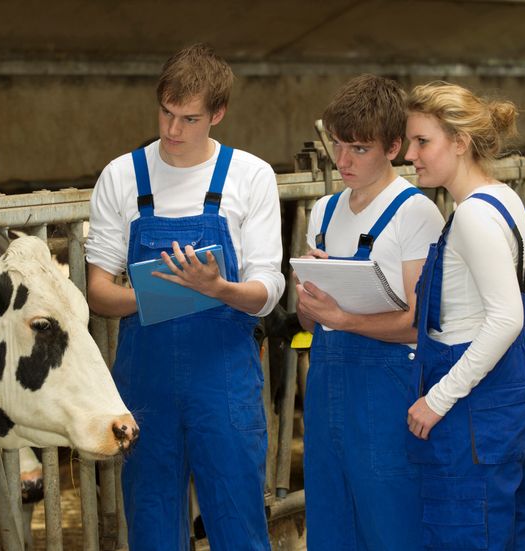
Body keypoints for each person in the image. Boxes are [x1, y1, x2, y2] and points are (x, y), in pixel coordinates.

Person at [85, 43, 284, 551]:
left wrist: (216, 289)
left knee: (238, 522)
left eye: (189, 119)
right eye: (166, 114)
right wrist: (160, 293)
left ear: (218, 114)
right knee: (151, 524)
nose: (173, 131)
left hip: (223, 377)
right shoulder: (122, 176)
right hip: (145, 382)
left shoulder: (250, 176)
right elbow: (99, 293)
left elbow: (267, 290)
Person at [296, 74, 445, 550]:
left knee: (391, 524)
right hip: (324, 386)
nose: (343, 161)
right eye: (338, 145)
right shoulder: (322, 211)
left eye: (358, 149)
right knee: (330, 520)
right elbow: (309, 323)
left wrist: (343, 318)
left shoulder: (415, 213)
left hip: (387, 394)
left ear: (394, 147)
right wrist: (310, 305)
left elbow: (420, 325)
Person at [404, 81, 525, 549]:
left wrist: (439, 398)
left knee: (467, 534)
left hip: (473, 405)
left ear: (460, 142)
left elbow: (506, 317)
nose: (411, 154)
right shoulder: (505, 199)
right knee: (519, 532)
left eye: (422, 141)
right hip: (513, 386)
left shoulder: (471, 216)